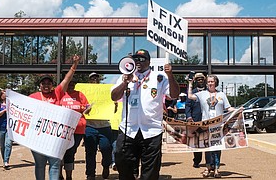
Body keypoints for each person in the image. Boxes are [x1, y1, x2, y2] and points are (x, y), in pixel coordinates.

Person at [111, 49, 180, 180]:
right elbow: (114, 96)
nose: (138, 62)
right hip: (128, 130)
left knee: (151, 170)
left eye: (142, 59)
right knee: (122, 161)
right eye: (136, 59)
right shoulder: (125, 75)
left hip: (151, 130)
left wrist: (170, 75)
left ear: (149, 62)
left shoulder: (159, 78)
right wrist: (125, 82)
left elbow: (174, 94)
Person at [29, 55, 80, 180]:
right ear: (40, 85)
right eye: (43, 83)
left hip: (55, 138)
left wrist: (74, 65)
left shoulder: (56, 93)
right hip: (38, 138)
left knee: (55, 165)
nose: (46, 85)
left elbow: (67, 79)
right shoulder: (32, 97)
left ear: (52, 85)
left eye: (49, 83)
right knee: (40, 165)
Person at [187, 74, 235, 178]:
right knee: (207, 147)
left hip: (218, 125)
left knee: (217, 147)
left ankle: (217, 169)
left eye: (212, 81)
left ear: (215, 82)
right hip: (206, 125)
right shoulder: (202, 94)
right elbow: (190, 96)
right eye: (208, 82)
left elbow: (228, 108)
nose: (210, 83)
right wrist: (190, 84)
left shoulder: (221, 94)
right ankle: (208, 167)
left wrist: (237, 110)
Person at [84, 72, 113, 180]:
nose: (94, 80)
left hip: (105, 125)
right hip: (90, 126)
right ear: (89, 80)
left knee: (106, 148)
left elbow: (115, 105)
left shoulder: (106, 91)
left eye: (96, 78)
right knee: (90, 152)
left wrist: (114, 105)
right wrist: (86, 110)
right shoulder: (85, 93)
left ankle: (106, 165)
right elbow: (82, 109)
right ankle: (90, 174)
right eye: (92, 78)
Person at [59, 77, 89, 180]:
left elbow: (86, 107)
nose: (71, 85)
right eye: (69, 83)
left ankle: (69, 176)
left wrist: (87, 109)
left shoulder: (79, 95)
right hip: (62, 129)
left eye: (73, 84)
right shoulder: (60, 95)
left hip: (78, 129)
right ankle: (58, 173)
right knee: (59, 152)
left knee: (71, 152)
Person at [185, 73, 207, 168]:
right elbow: (188, 105)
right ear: (196, 81)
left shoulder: (209, 92)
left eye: (202, 79)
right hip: (195, 120)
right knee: (196, 141)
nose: (200, 81)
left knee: (207, 141)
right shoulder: (192, 93)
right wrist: (189, 117)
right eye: (198, 79)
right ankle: (197, 161)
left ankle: (209, 162)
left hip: (207, 120)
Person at [0, 89, 13, 170]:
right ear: (1, 96)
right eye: (3, 94)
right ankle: (4, 160)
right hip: (1, 127)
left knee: (8, 144)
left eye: (6, 94)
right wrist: (5, 110)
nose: (5, 96)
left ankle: (6, 161)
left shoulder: (12, 105)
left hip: (10, 128)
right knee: (2, 146)